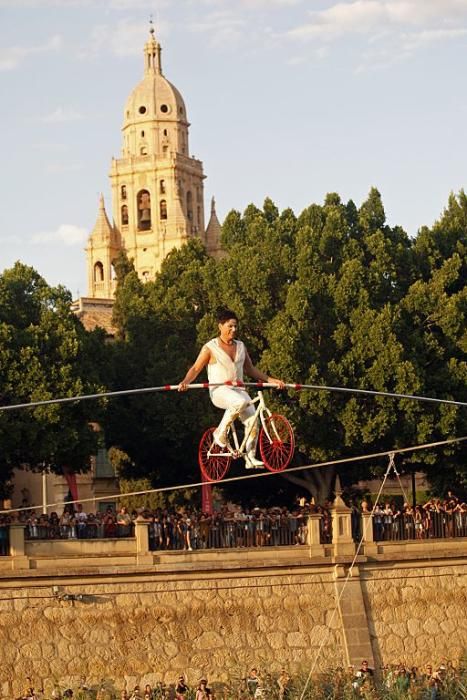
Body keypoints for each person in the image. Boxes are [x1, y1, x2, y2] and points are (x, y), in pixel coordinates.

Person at [178, 307, 285, 468]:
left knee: (253, 422)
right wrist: (186, 381)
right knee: (239, 403)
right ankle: (219, 434)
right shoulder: (210, 347)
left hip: (240, 391)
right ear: (220, 326)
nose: (234, 329)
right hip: (220, 391)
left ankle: (250, 457)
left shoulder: (241, 346)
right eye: (230, 326)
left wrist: (272, 380)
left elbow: (251, 369)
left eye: (236, 326)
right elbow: (195, 368)